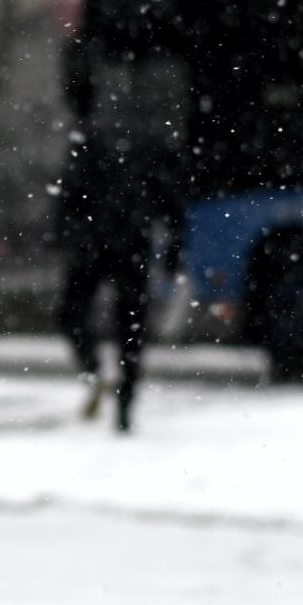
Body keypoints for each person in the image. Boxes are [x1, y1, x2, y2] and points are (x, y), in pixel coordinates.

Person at [53, 107, 183, 432]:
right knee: (131, 328)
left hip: (92, 245)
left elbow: (68, 193)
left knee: (73, 315)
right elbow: (172, 202)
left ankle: (95, 372)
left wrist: (65, 238)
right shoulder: (155, 143)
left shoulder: (91, 139)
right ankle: (125, 402)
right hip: (132, 245)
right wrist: (172, 252)